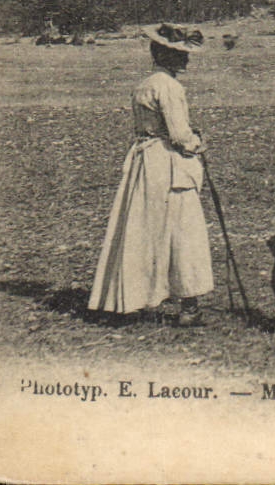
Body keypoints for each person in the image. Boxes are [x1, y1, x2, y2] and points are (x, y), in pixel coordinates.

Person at [89, 24, 214, 326]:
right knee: (183, 232)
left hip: (145, 165)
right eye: (179, 54)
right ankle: (189, 305)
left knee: (143, 229)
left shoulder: (144, 85)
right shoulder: (170, 87)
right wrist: (197, 143)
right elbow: (179, 134)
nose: (185, 60)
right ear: (164, 55)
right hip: (169, 165)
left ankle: (138, 297)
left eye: (185, 54)